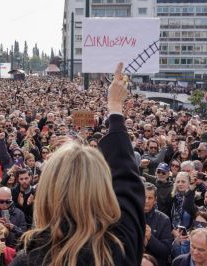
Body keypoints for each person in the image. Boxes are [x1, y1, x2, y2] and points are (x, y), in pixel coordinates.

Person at [10, 63, 145, 266]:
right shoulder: (118, 249)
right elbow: (127, 182)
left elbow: (126, 184)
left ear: (48, 190)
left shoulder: (27, 261)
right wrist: (115, 107)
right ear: (102, 189)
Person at [143, 182, 173, 266]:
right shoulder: (131, 216)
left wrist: (150, 238)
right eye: (144, 197)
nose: (146, 201)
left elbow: (166, 251)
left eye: (150, 198)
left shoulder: (164, 220)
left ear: (155, 200)